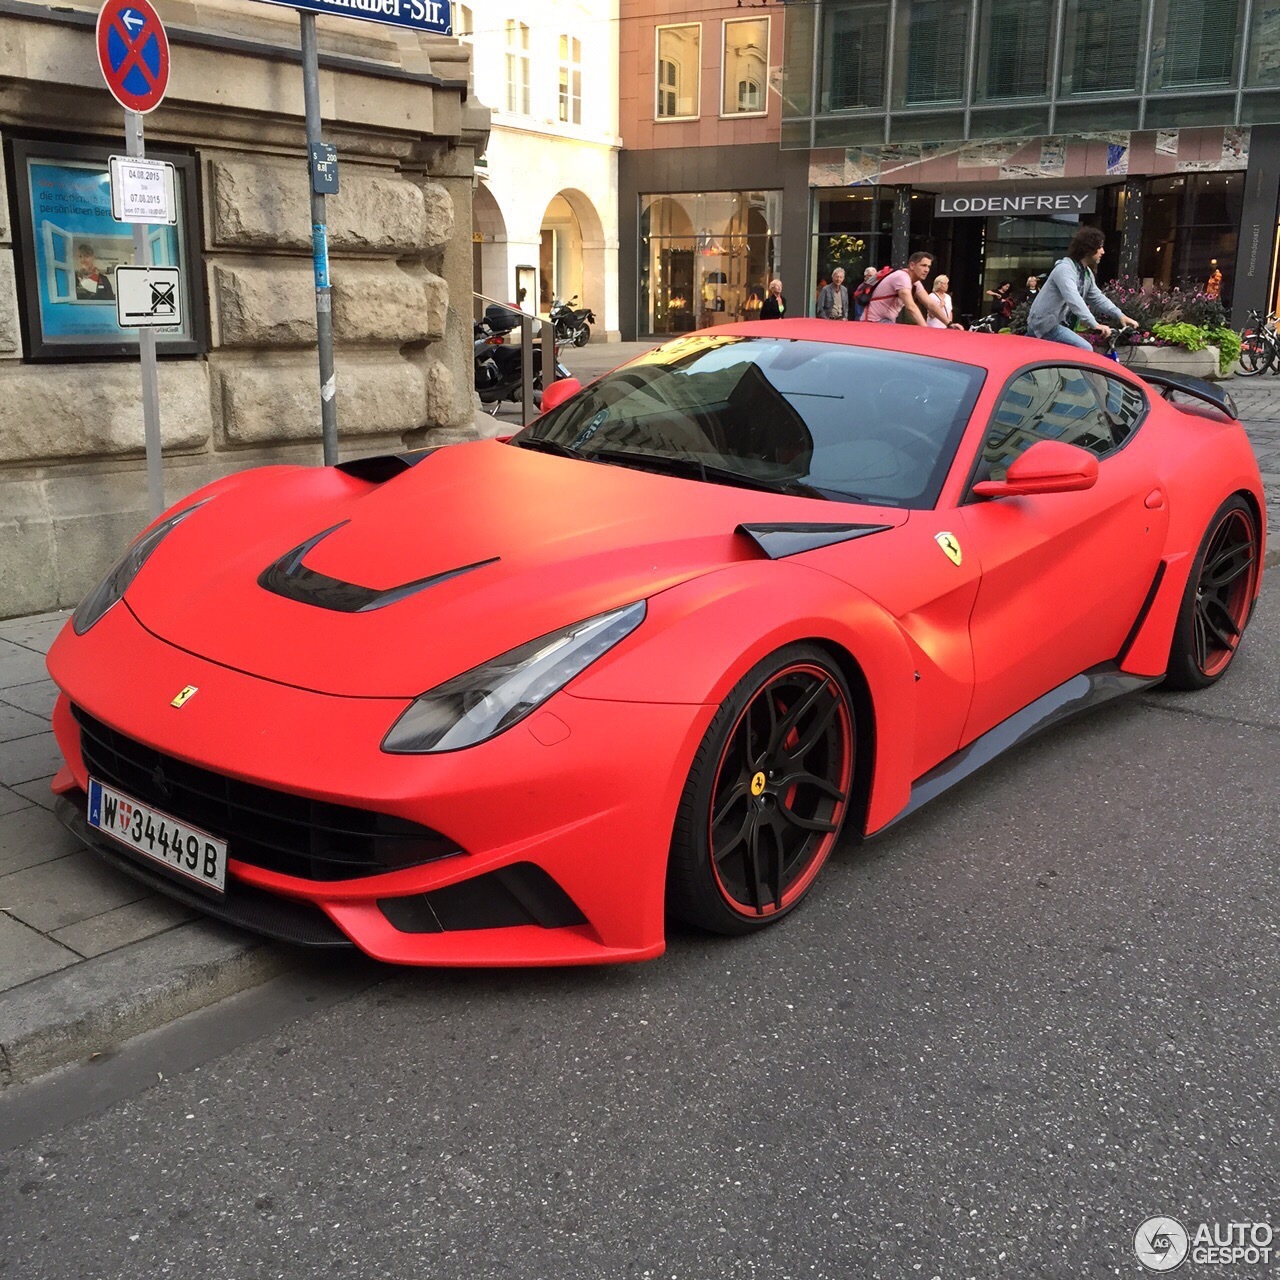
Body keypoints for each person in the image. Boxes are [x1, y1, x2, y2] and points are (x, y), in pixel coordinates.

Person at [1026, 226, 1138, 350]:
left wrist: (1120, 315)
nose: (1103, 251)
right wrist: (1094, 324)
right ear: (1088, 249)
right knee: (1085, 348)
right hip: (1045, 326)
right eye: (1100, 247)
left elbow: (1097, 298)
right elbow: (1073, 299)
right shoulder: (1064, 269)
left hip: (1057, 325)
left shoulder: (1086, 273)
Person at [864, 251, 951, 325]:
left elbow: (930, 304)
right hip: (873, 322)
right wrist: (925, 329)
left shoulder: (915, 282)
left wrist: (949, 323)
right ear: (912, 265)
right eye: (923, 265)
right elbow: (911, 307)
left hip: (885, 321)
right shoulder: (902, 277)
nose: (926, 270)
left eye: (928, 266)